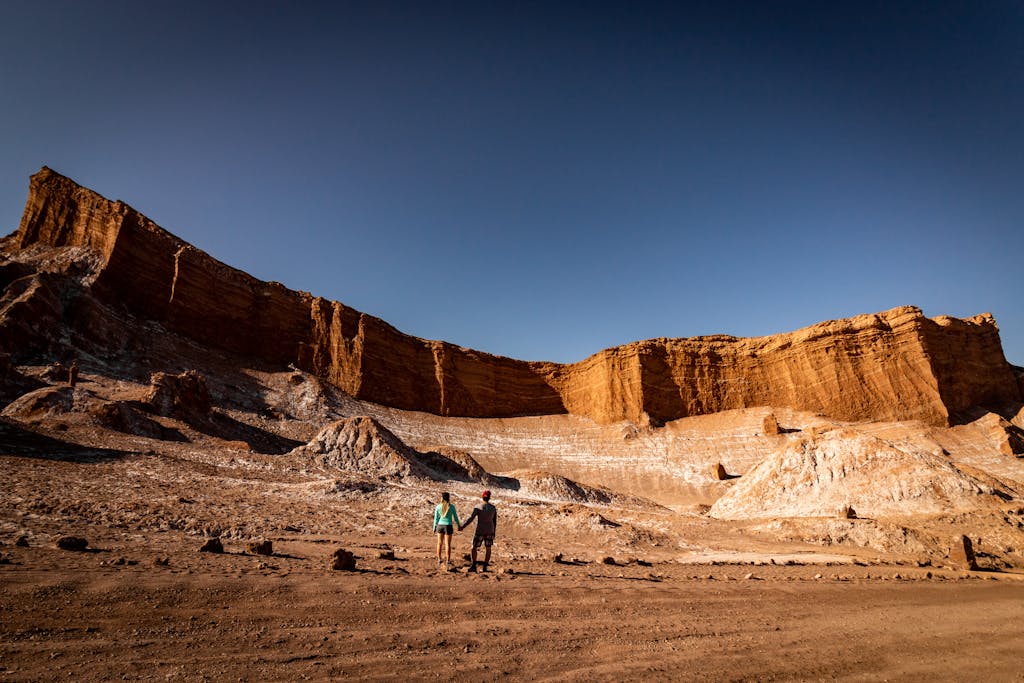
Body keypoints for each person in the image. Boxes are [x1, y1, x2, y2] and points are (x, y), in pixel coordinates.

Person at [459, 490, 497, 572]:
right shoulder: (493, 508)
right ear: (489, 498)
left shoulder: (478, 507)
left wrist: (463, 526)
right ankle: (485, 567)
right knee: (488, 548)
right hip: (490, 530)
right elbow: (494, 521)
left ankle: (473, 565)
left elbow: (471, 518)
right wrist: (494, 532)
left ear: (482, 497)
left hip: (480, 530)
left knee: (474, 547)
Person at [432, 492, 460, 566]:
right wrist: (459, 525)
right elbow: (456, 517)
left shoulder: (438, 507)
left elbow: (436, 518)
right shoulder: (451, 507)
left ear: (442, 498)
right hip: (448, 526)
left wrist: (434, 527)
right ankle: (448, 560)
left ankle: (439, 559)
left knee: (439, 543)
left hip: (440, 525)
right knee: (448, 544)